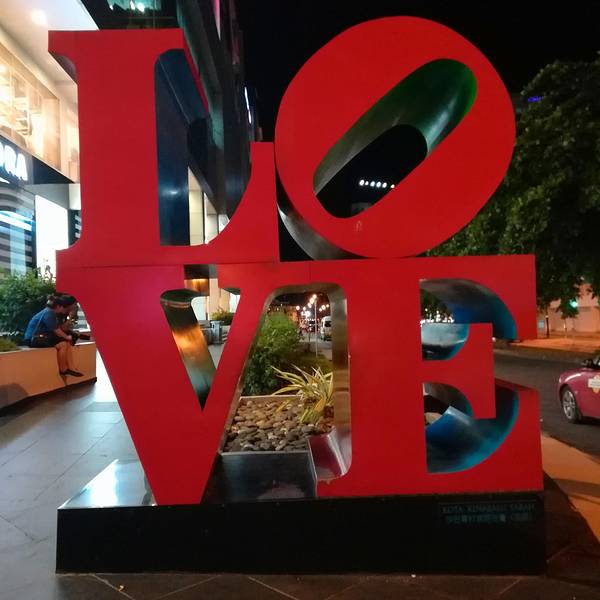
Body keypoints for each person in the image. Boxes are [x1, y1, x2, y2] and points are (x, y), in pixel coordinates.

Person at [23, 295, 83, 377]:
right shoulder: (49, 313)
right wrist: (67, 337)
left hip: (40, 338)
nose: (63, 309)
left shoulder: (48, 312)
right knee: (64, 344)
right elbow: (56, 330)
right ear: (58, 306)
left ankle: (70, 368)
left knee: (65, 344)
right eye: (62, 307)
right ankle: (63, 369)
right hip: (33, 339)